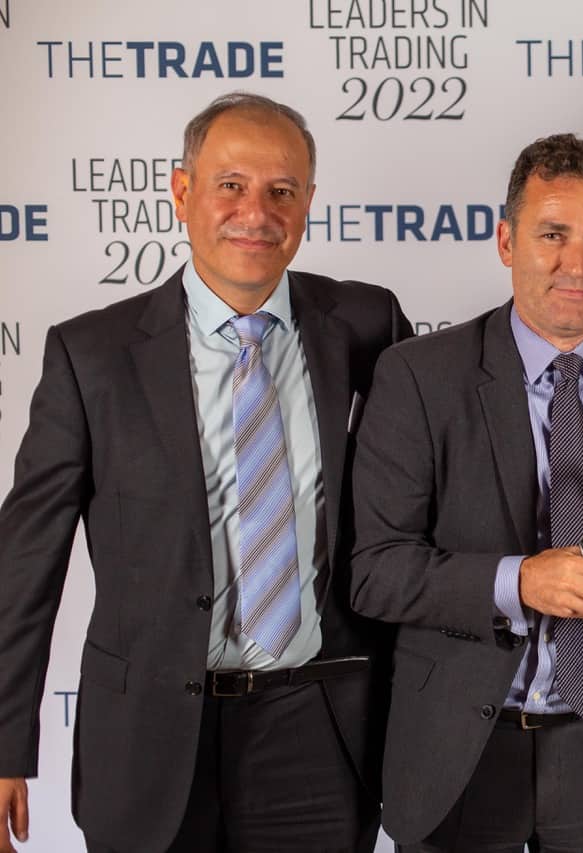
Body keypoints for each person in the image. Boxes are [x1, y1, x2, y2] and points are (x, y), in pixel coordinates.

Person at [0, 92, 412, 853]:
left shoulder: (368, 324)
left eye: (282, 190)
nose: (256, 212)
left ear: (308, 203)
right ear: (182, 191)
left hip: (319, 731)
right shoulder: (90, 357)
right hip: (148, 739)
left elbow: (419, 511)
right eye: (230, 185)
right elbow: (25, 564)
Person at [348, 132, 583, 852]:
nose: (578, 262)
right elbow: (374, 571)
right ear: (506, 241)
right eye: (552, 234)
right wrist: (518, 582)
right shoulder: (418, 376)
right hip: (459, 749)